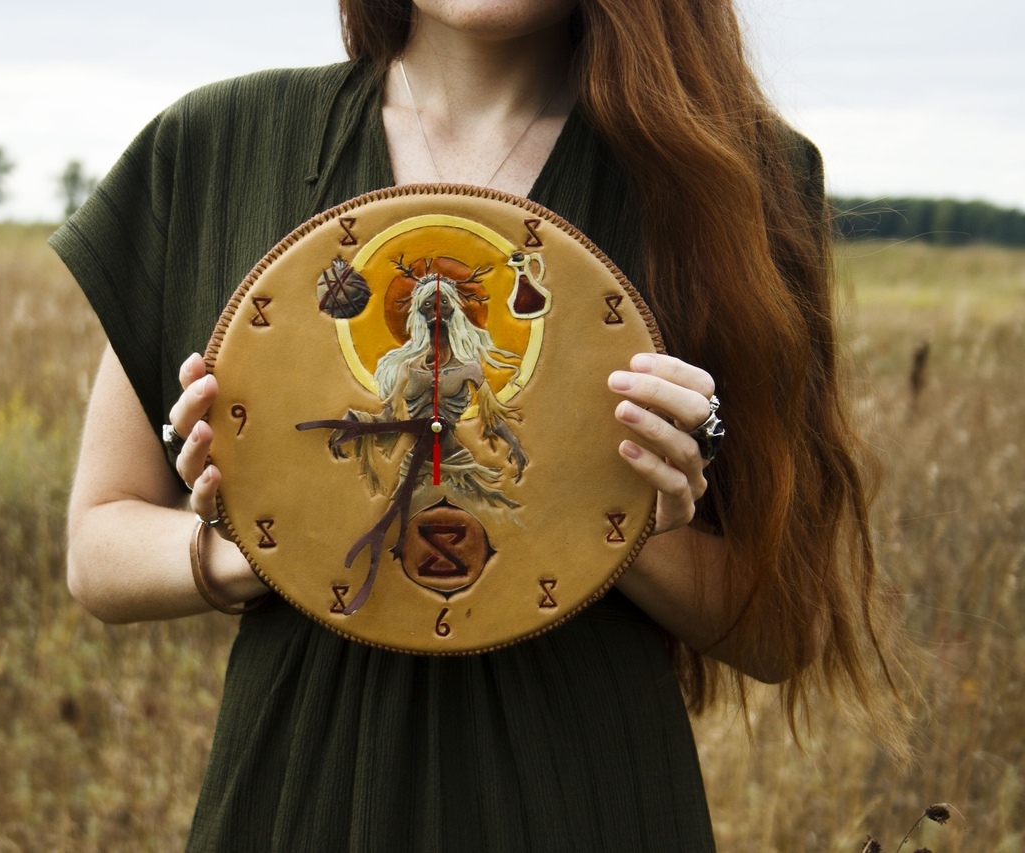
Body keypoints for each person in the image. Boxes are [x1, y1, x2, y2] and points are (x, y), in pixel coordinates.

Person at [51, 1, 908, 848]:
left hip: (585, 801)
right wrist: (279, 540)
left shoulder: (734, 175)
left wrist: (617, 520)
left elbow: (783, 628)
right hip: (296, 793)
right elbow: (100, 547)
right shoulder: (217, 148)